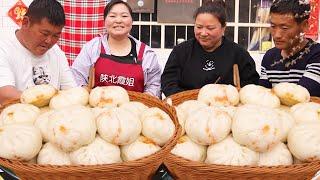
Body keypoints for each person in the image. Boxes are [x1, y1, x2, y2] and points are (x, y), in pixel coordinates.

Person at [161, 0, 259, 97]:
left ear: (223, 28)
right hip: (187, 107)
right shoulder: (181, 51)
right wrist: (188, 100)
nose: (203, 33)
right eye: (199, 27)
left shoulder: (238, 54)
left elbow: (250, 86)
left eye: (210, 28)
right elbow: (168, 82)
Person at [71, 0, 161, 97]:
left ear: (131, 21)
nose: (118, 20)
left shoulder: (146, 54)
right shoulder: (92, 47)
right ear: (104, 21)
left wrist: (145, 99)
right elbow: (77, 78)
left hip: (134, 110)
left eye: (124, 16)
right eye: (113, 16)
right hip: (98, 109)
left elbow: (154, 85)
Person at [0, 0, 76, 105]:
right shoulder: (4, 49)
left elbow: (71, 90)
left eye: (56, 36)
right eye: (44, 33)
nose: (49, 41)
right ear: (26, 22)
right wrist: (48, 102)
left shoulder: (56, 52)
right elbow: (6, 95)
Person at [259, 0, 320, 96]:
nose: (277, 35)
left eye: (284, 28)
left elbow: (300, 97)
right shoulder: (269, 57)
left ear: (304, 25)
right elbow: (263, 96)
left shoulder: (316, 54)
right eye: (273, 26)